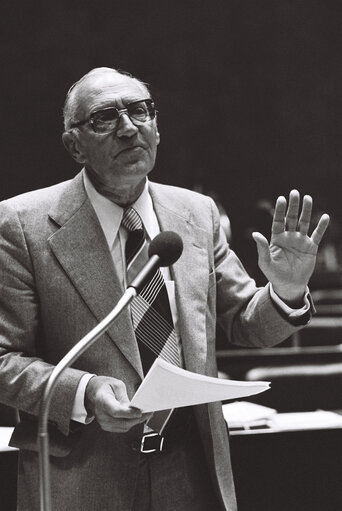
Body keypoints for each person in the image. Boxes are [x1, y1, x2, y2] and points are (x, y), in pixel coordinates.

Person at [0, 67, 329, 511]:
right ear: (73, 145)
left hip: (192, 469)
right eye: (105, 117)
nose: (129, 127)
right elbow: (5, 360)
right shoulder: (23, 225)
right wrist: (84, 391)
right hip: (85, 477)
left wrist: (285, 292)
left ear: (157, 127)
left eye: (141, 111)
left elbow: (245, 325)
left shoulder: (196, 213)